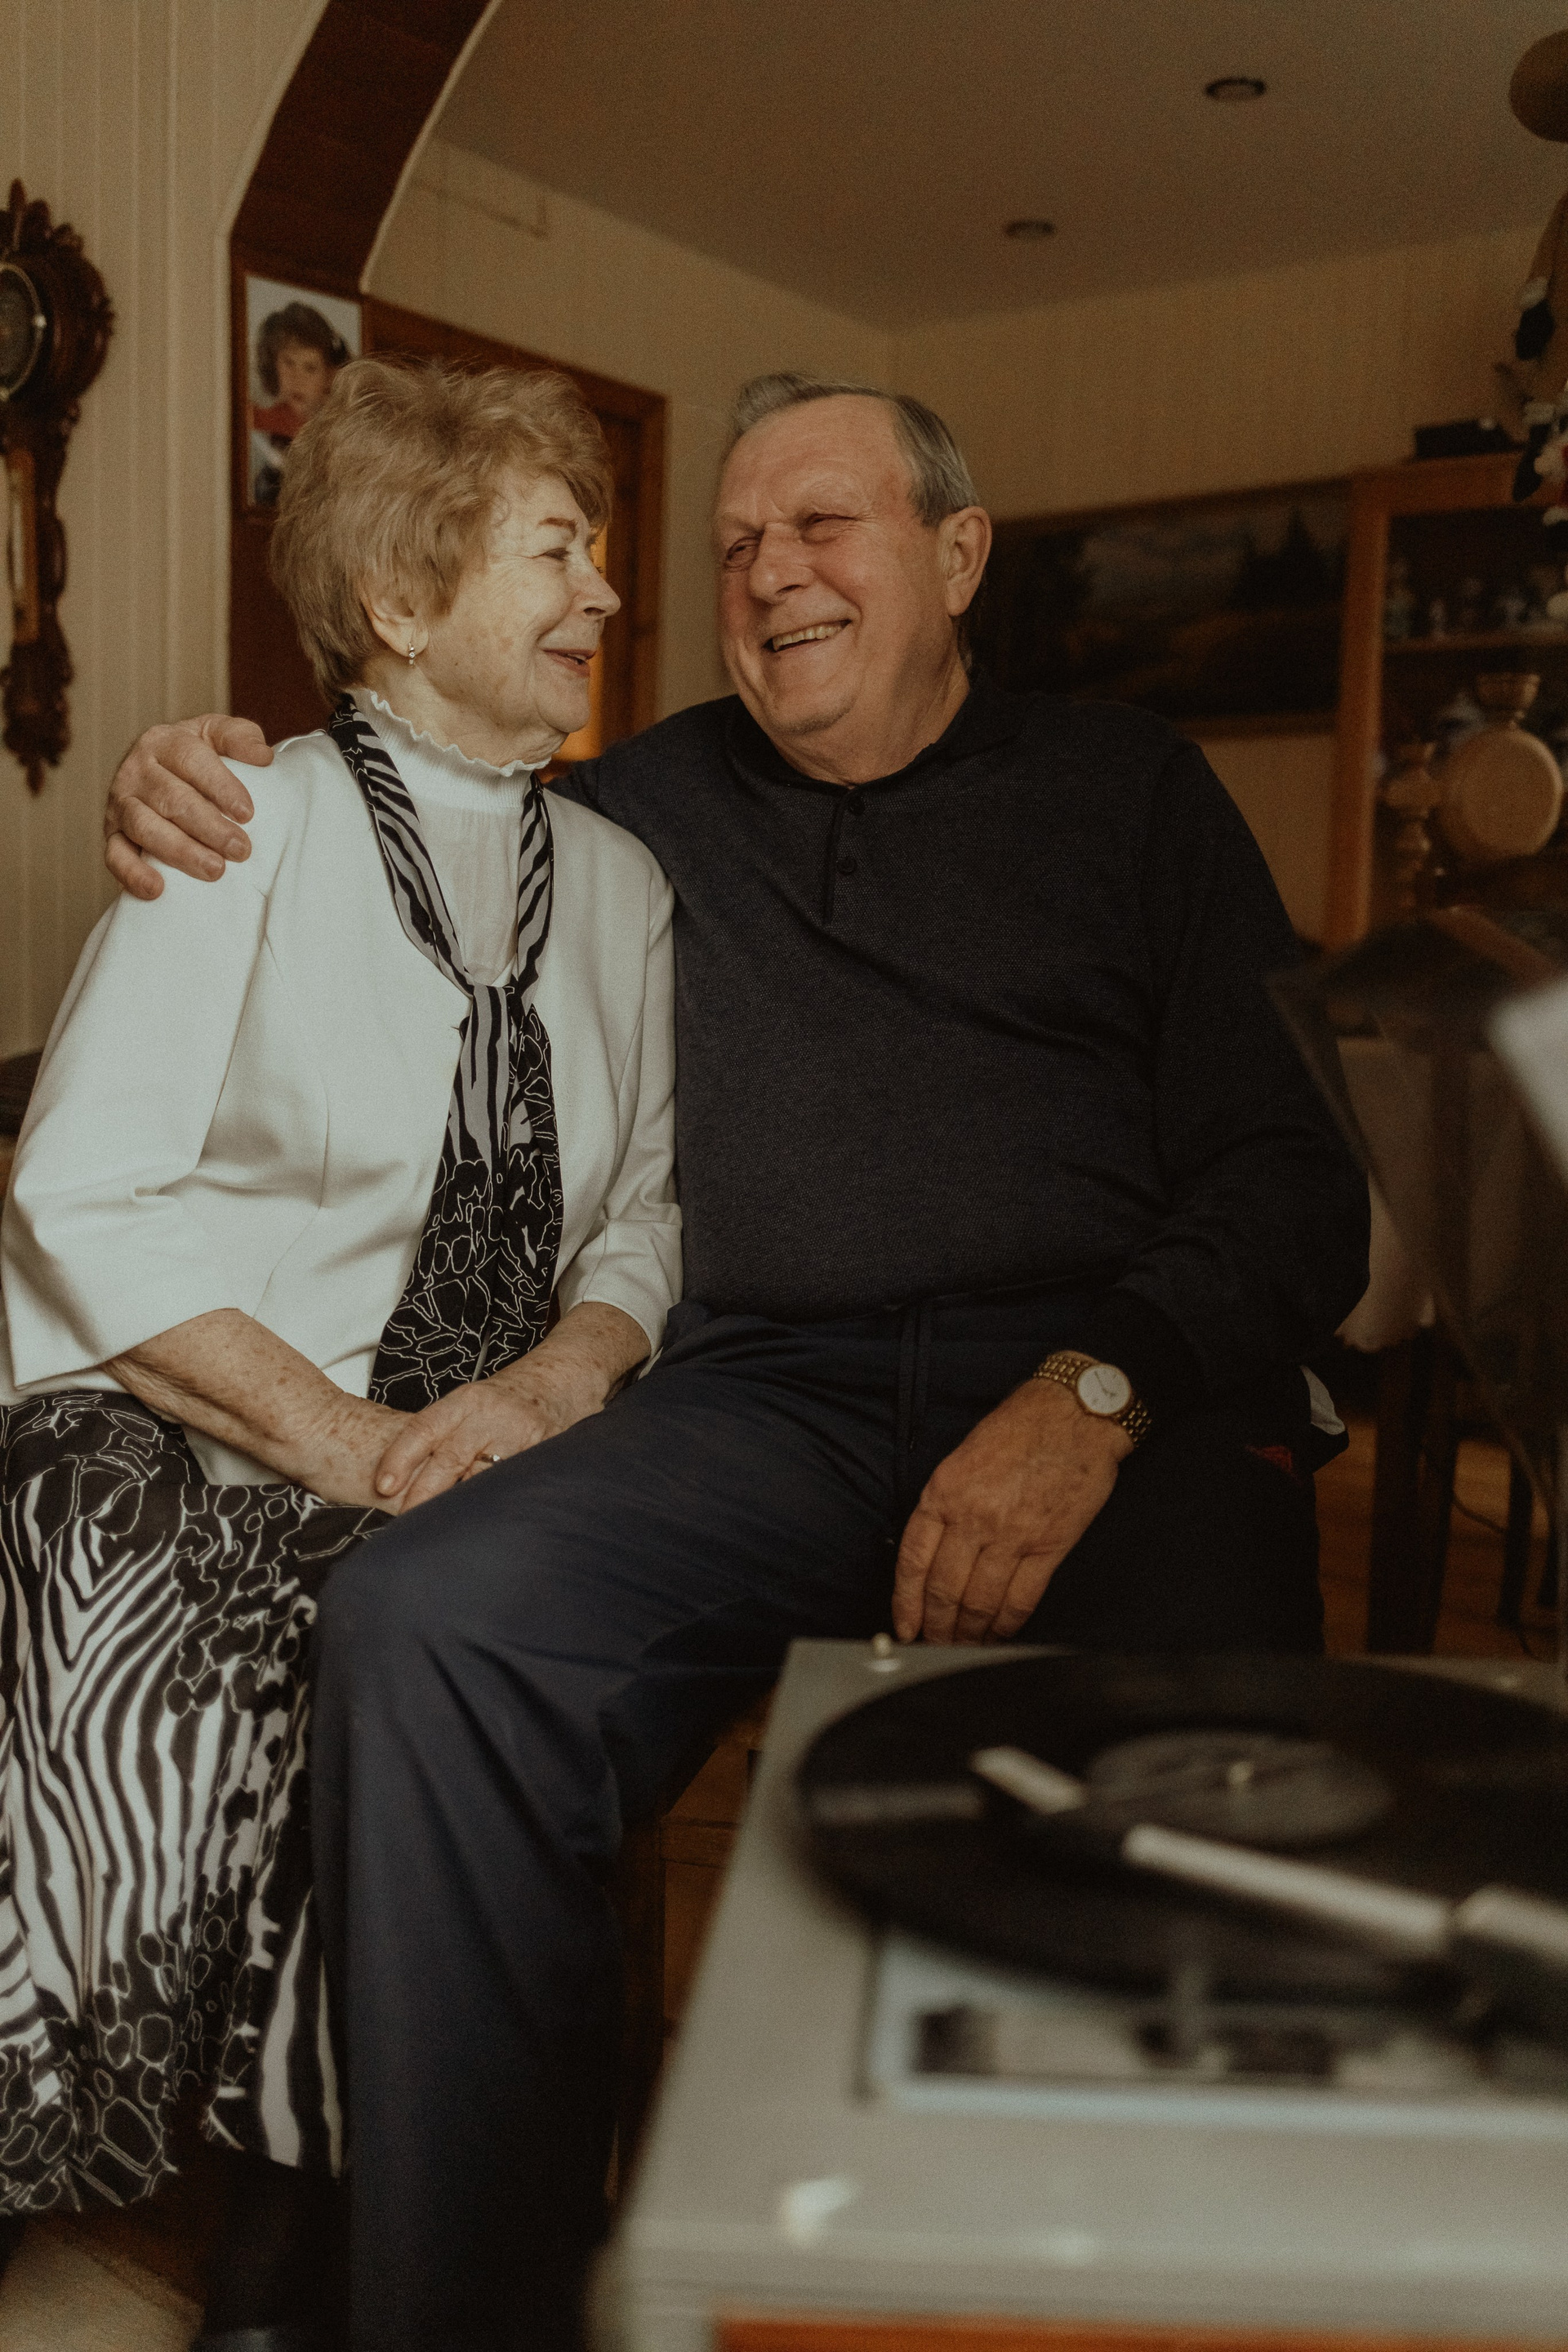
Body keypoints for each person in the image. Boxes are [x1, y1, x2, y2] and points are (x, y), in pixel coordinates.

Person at [105, 371, 1370, 2352]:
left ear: (958, 555)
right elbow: (410, 783)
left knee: (1206, 1738)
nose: (767, 572)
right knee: (433, 1622)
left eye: (822, 526)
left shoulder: (1131, 790)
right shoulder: (634, 814)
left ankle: (1162, 2291)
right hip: (760, 1392)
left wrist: (1102, 1389)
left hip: (1097, 1390)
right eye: (733, 543)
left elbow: (1295, 1180)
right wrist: (197, 773)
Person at [1, 358, 678, 2344]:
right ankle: (148, 2200)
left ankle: (349, 2229)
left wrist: (546, 1388)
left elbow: (643, 1220)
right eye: (558, 550)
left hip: (474, 1436)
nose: (604, 593)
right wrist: (347, 1441)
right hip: (175, 1408)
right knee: (219, 1611)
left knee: (461, 1615)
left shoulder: (625, 886)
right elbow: (82, 1193)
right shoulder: (243, 823)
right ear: (397, 596)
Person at [249, 301, 351, 506]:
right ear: (273, 363)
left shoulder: (336, 435)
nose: (297, 378)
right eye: (289, 363)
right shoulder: (257, 421)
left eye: (310, 368)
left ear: (329, 377)